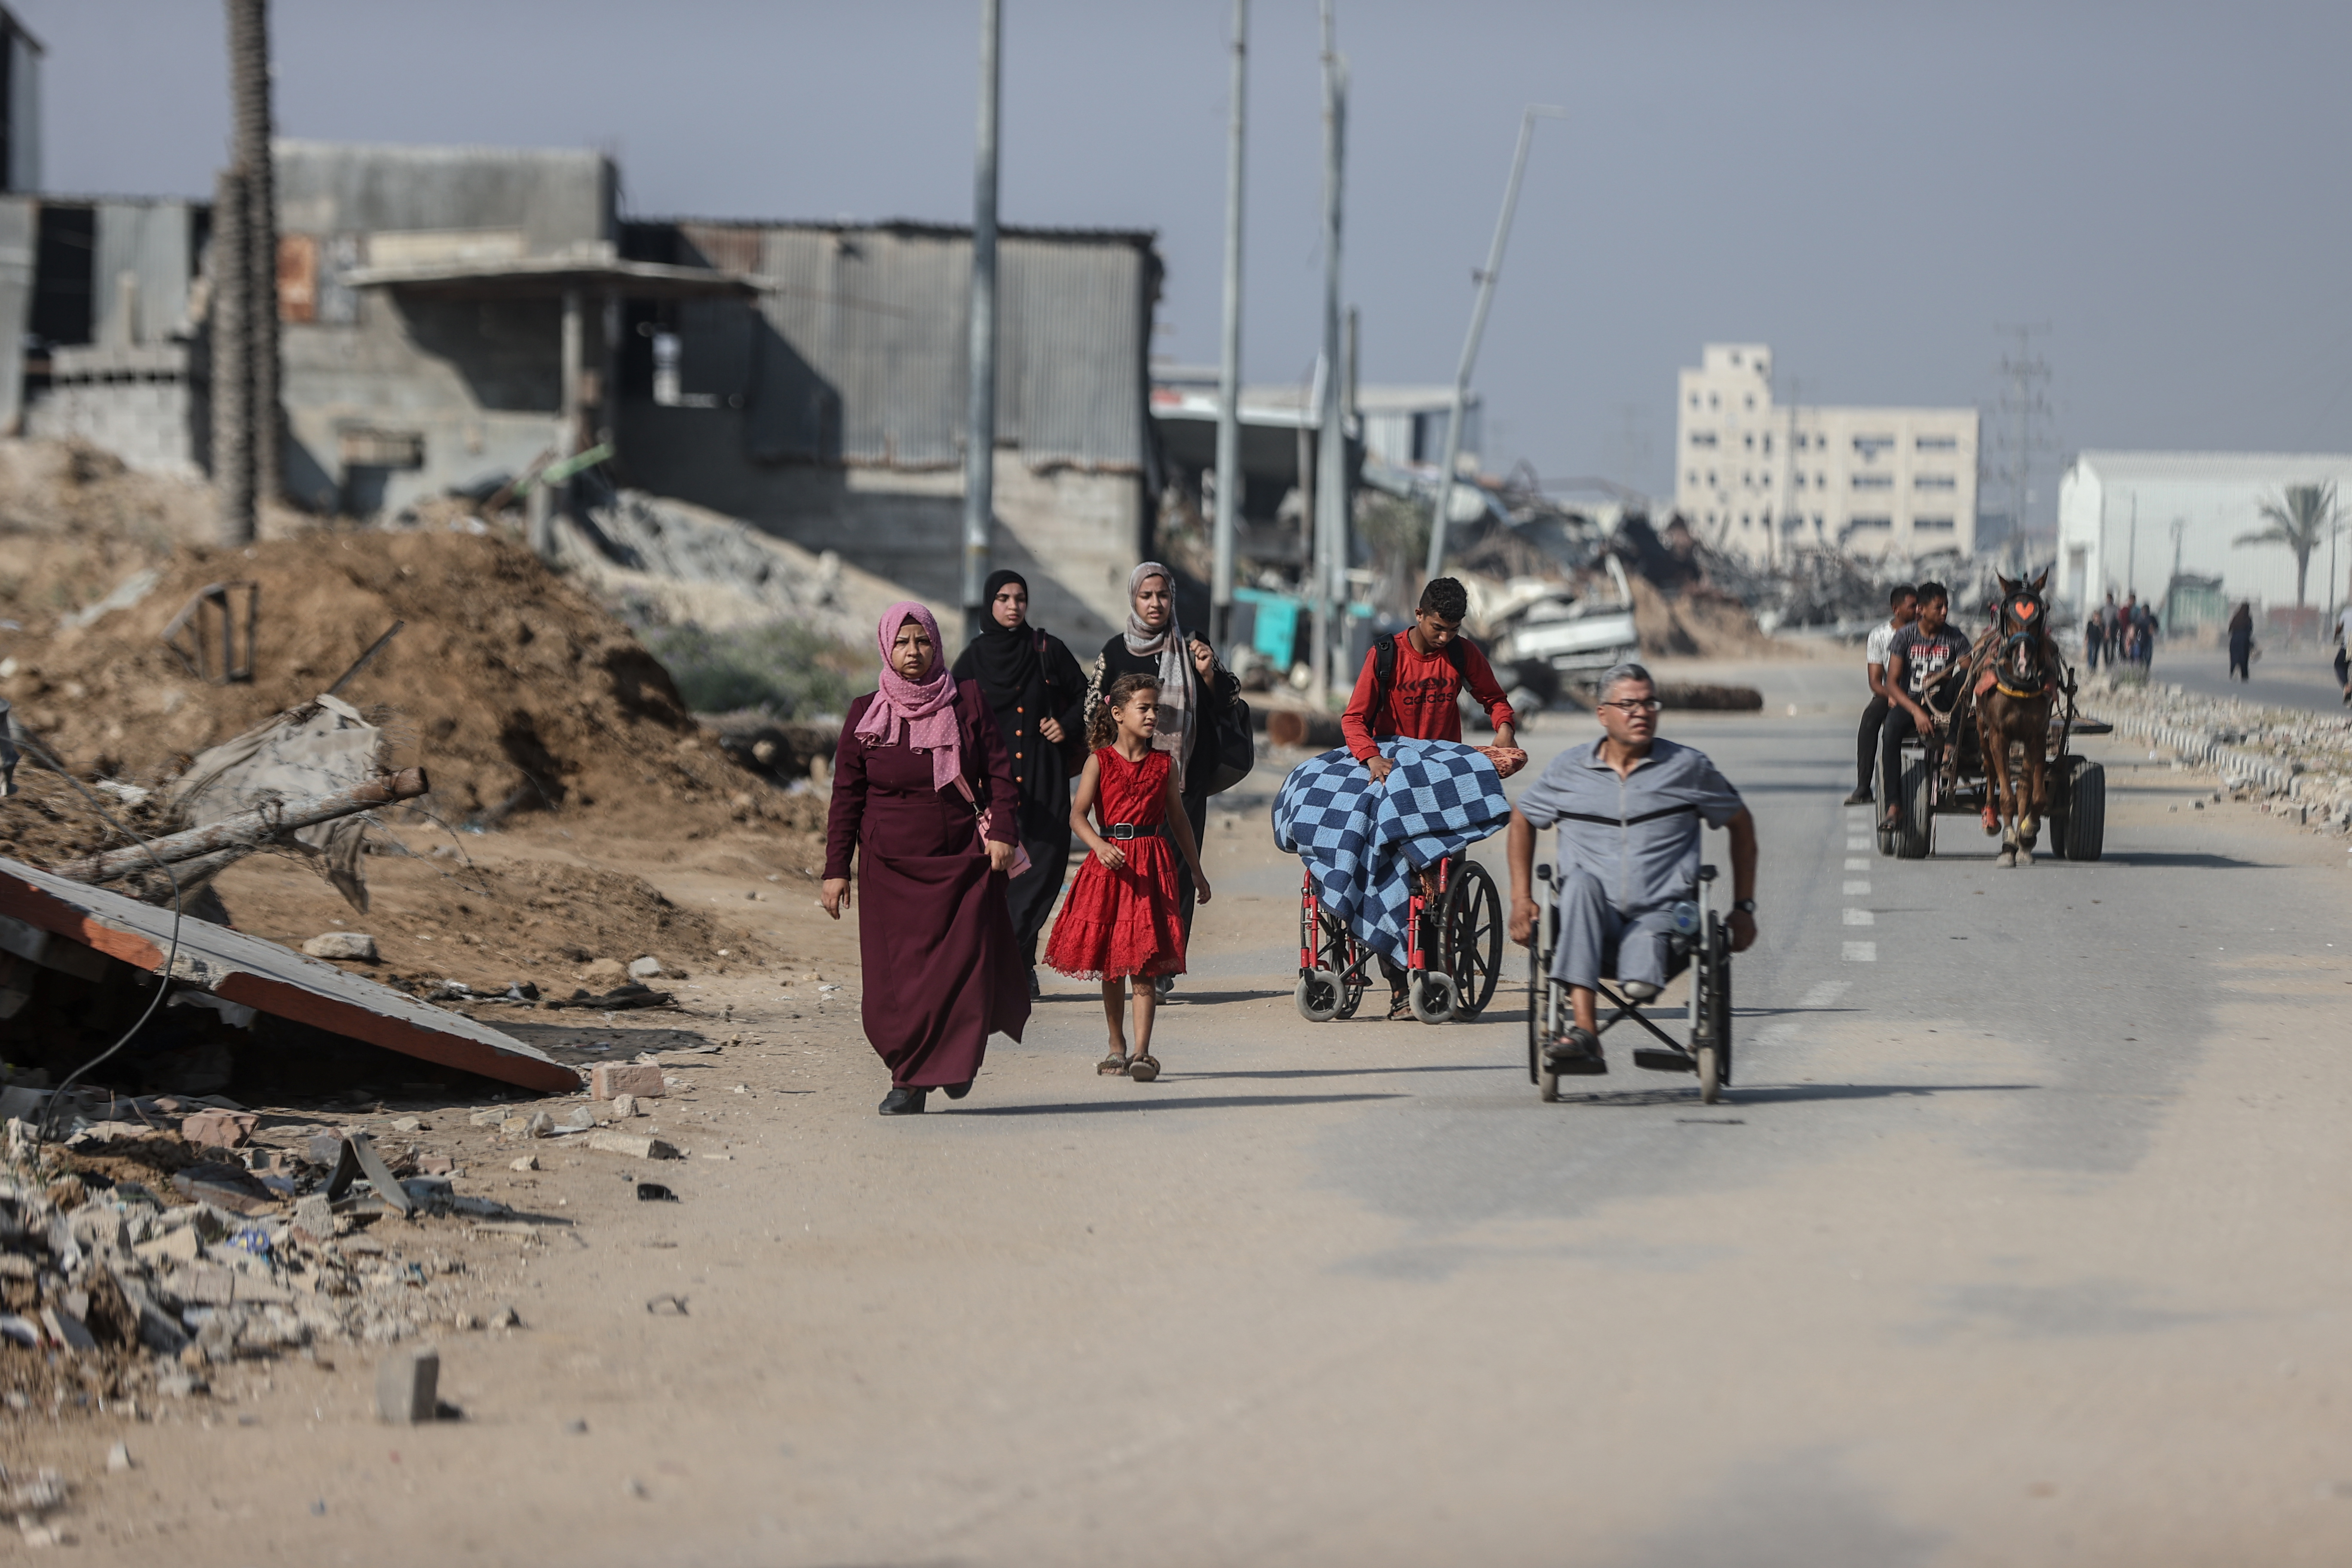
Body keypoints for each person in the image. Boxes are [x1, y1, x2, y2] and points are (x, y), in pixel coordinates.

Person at [822, 603, 1030, 1116]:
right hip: (888, 868)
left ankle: (944, 1067)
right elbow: (846, 798)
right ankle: (908, 1073)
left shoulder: (968, 703)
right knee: (897, 983)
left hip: (961, 859)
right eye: (902, 643)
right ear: (886, 648)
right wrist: (835, 870)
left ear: (937, 646)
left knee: (960, 969)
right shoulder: (864, 713)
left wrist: (1002, 832)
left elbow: (1001, 775)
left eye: (923, 642)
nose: (913, 653)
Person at [1505, 662, 1758, 1076]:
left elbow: (1740, 823)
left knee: (1640, 979)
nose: (1641, 712)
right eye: (1629, 704)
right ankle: (1585, 1031)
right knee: (1580, 886)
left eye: (1649, 703)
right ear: (1603, 713)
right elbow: (1524, 818)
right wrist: (1520, 899)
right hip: (1590, 918)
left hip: (1665, 915)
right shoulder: (1570, 770)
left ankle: (1661, 1002)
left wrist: (1744, 906)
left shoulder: (1688, 767)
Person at [1044, 674, 1211, 1083]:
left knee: (1145, 965)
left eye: (1157, 708)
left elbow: (1179, 820)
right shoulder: (1098, 762)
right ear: (1118, 714)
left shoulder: (1164, 765)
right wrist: (1099, 847)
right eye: (1145, 708)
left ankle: (1142, 1052)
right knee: (1113, 965)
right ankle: (1116, 1046)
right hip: (1111, 868)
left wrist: (1197, 870)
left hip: (1151, 869)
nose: (1153, 715)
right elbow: (1077, 816)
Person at [1086, 562, 1238, 997]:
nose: (1155, 604)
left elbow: (1227, 701)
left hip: (1182, 776)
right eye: (1146, 596)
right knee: (1131, 872)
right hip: (1125, 785)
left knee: (1175, 871)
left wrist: (1207, 674)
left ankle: (1163, 962)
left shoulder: (1193, 645)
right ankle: (1129, 954)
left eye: (1163, 596)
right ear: (1133, 599)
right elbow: (1093, 711)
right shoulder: (1116, 651)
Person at [952, 569, 1088, 995]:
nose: (1014, 607)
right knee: (999, 875)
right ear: (989, 605)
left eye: (1020, 599)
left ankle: (1011, 959)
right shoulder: (972, 659)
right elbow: (951, 717)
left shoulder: (1047, 650)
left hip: (1045, 781)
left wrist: (1064, 725)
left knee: (1044, 872)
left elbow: (1090, 695)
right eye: (1004, 599)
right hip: (992, 788)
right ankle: (1015, 966)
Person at [1878, 581, 1974, 833]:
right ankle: (1893, 805)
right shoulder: (1905, 636)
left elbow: (1969, 669)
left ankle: (1951, 747)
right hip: (1912, 703)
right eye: (1938, 607)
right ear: (1921, 609)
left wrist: (1944, 677)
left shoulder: (1955, 636)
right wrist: (1917, 712)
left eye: (1946, 607)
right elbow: (1891, 682)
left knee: (1965, 680)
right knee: (1890, 731)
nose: (1944, 612)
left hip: (1944, 703)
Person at [1845, 583, 1917, 807]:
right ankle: (1864, 786)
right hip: (1892, 693)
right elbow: (1875, 681)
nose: (1918, 611)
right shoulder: (1879, 636)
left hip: (1923, 693)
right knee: (1869, 719)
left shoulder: (1924, 631)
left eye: (1919, 606)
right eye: (1912, 607)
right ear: (1896, 609)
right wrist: (1892, 695)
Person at [2226, 602, 2254, 683]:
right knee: (2244, 659)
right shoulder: (2248, 619)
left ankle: (2232, 673)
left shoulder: (2236, 617)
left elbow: (2230, 629)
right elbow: (2250, 630)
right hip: (2244, 641)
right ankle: (2244, 676)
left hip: (2234, 640)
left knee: (2234, 658)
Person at [2083, 603, 2104, 674]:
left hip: (2098, 640)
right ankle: (2090, 665)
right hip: (2091, 639)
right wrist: (2086, 639)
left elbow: (2102, 633)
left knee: (2096, 653)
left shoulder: (2101, 624)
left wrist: (2099, 625)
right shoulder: (2090, 623)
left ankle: (2094, 666)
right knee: (2090, 651)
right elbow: (2087, 631)